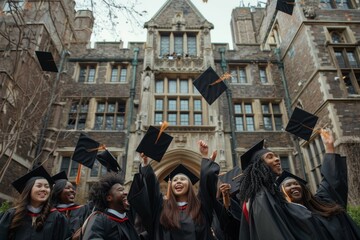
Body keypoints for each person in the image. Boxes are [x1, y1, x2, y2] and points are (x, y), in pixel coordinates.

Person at [277, 129, 360, 239]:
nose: (293, 186)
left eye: (296, 183)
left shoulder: (322, 203)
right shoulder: (287, 218)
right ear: (282, 193)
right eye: (288, 185)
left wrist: (329, 147)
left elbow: (332, 181)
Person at [128, 140, 220, 240]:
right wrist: (146, 163)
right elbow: (152, 188)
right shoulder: (162, 208)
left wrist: (205, 156)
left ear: (190, 185)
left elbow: (206, 185)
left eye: (183, 179)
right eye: (175, 180)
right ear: (171, 186)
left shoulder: (200, 207)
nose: (178, 182)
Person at [237, 138, 326, 240]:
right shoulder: (260, 195)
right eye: (270, 157)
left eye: (276, 156)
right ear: (260, 165)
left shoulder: (268, 191)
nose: (277, 159)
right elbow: (272, 232)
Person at [0, 166, 69, 240]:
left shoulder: (57, 217)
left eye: (47, 186)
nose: (43, 189)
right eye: (39, 186)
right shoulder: (12, 215)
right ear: (29, 189)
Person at [81, 172, 142, 240]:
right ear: (109, 198)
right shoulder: (99, 219)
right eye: (120, 190)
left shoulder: (126, 220)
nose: (126, 193)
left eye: (124, 189)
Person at [50, 171, 91, 238]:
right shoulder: (49, 212)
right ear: (58, 191)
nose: (72, 190)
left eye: (73, 188)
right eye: (68, 188)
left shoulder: (83, 209)